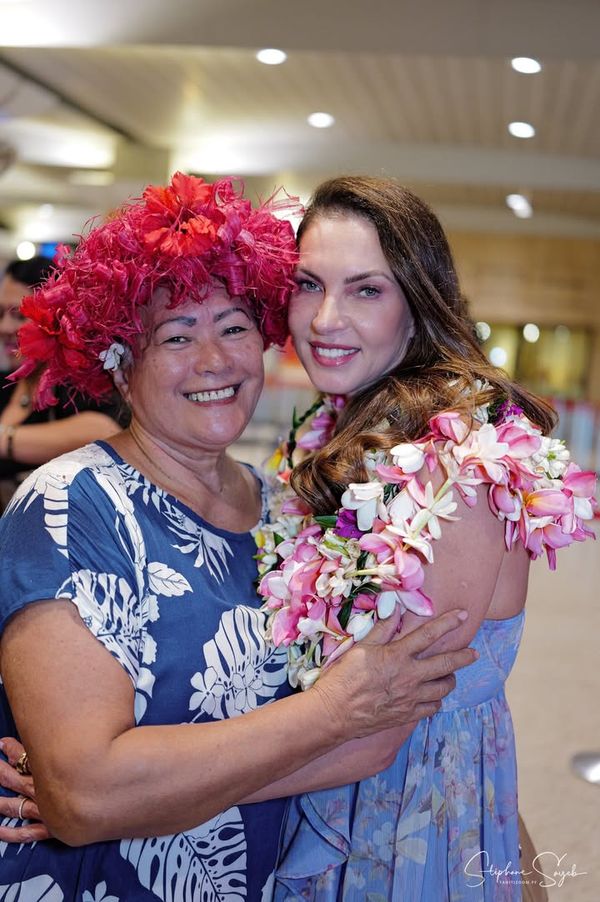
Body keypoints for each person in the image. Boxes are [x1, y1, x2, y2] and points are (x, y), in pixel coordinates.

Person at [0, 173, 477, 900]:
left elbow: (366, 740)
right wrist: (325, 713)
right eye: (177, 335)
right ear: (122, 367)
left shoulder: (284, 504)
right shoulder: (70, 507)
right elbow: (87, 794)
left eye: (233, 328)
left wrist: (124, 795)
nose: (214, 361)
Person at [261, 176, 587, 900]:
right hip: (328, 775)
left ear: (417, 302)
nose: (326, 318)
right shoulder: (335, 426)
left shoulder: (458, 465)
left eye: (366, 290)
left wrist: (149, 792)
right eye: (309, 284)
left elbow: (375, 726)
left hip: (400, 809)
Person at [0, 256, 124, 510]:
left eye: (17, 316)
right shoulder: (9, 384)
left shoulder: (76, 380)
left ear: (54, 318)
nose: (4, 327)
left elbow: (104, 431)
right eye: (0, 314)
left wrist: (7, 440)